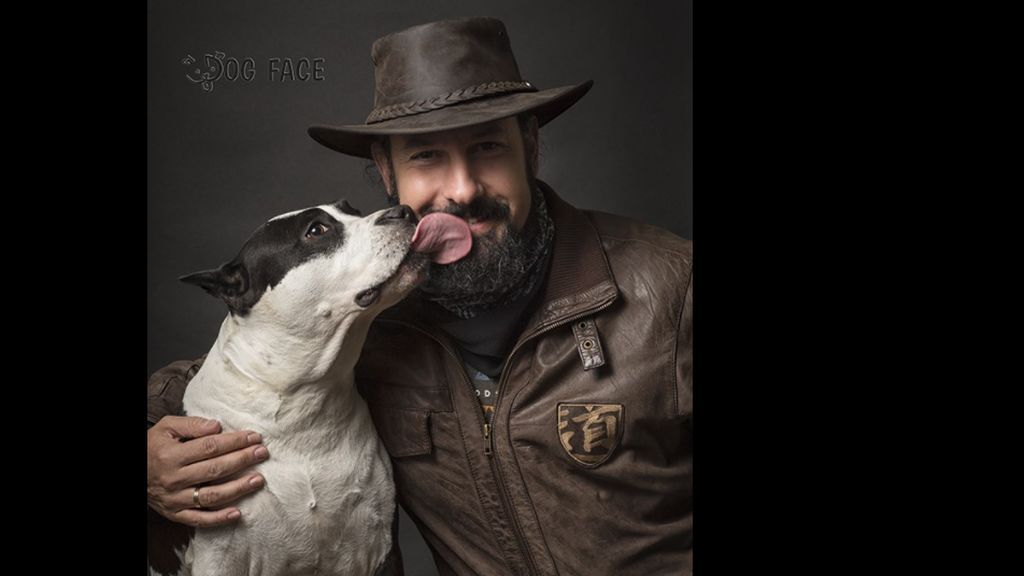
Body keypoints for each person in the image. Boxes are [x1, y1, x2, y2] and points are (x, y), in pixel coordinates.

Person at [148, 16, 692, 575]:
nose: (461, 190)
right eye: (426, 157)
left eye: (488, 148)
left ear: (530, 148)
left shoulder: (673, 287)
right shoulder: (371, 316)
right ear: (388, 172)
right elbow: (244, 373)